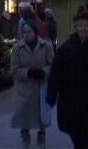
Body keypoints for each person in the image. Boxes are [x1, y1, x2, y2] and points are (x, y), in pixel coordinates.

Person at [47, 12, 88, 149]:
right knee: (75, 132)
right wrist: (51, 95)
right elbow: (55, 73)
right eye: (80, 26)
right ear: (76, 28)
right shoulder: (66, 49)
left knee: (84, 134)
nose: (83, 29)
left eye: (87, 26)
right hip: (69, 99)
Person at [11, 20, 54, 148]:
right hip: (24, 88)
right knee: (23, 114)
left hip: (41, 86)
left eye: (29, 31)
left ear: (35, 32)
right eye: (24, 32)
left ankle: (41, 138)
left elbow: (53, 65)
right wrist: (27, 73)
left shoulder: (46, 46)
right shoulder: (17, 48)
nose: (26, 34)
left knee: (42, 114)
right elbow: (14, 69)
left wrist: (44, 72)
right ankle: (25, 138)